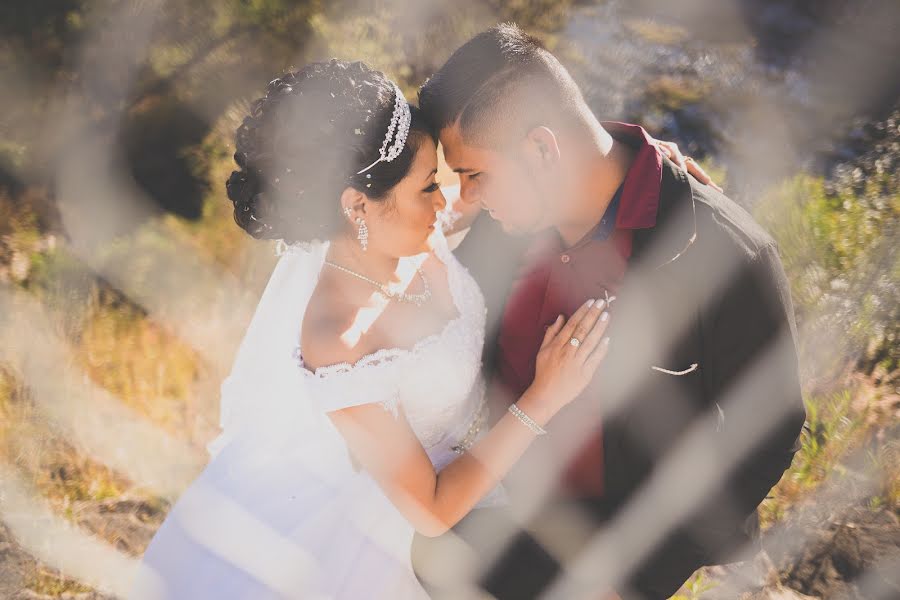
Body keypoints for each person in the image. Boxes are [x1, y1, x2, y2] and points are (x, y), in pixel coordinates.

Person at [128, 59, 614, 600]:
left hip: (486, 476)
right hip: (400, 524)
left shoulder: (402, 227)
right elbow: (428, 510)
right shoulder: (338, 340)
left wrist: (630, 162)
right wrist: (542, 399)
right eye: (429, 186)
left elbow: (512, 181)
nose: (446, 201)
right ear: (357, 205)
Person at [411, 23, 807, 600]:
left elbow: (769, 432)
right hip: (493, 510)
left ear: (542, 150)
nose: (467, 198)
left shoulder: (723, 249)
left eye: (476, 176)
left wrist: (638, 582)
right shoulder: (500, 232)